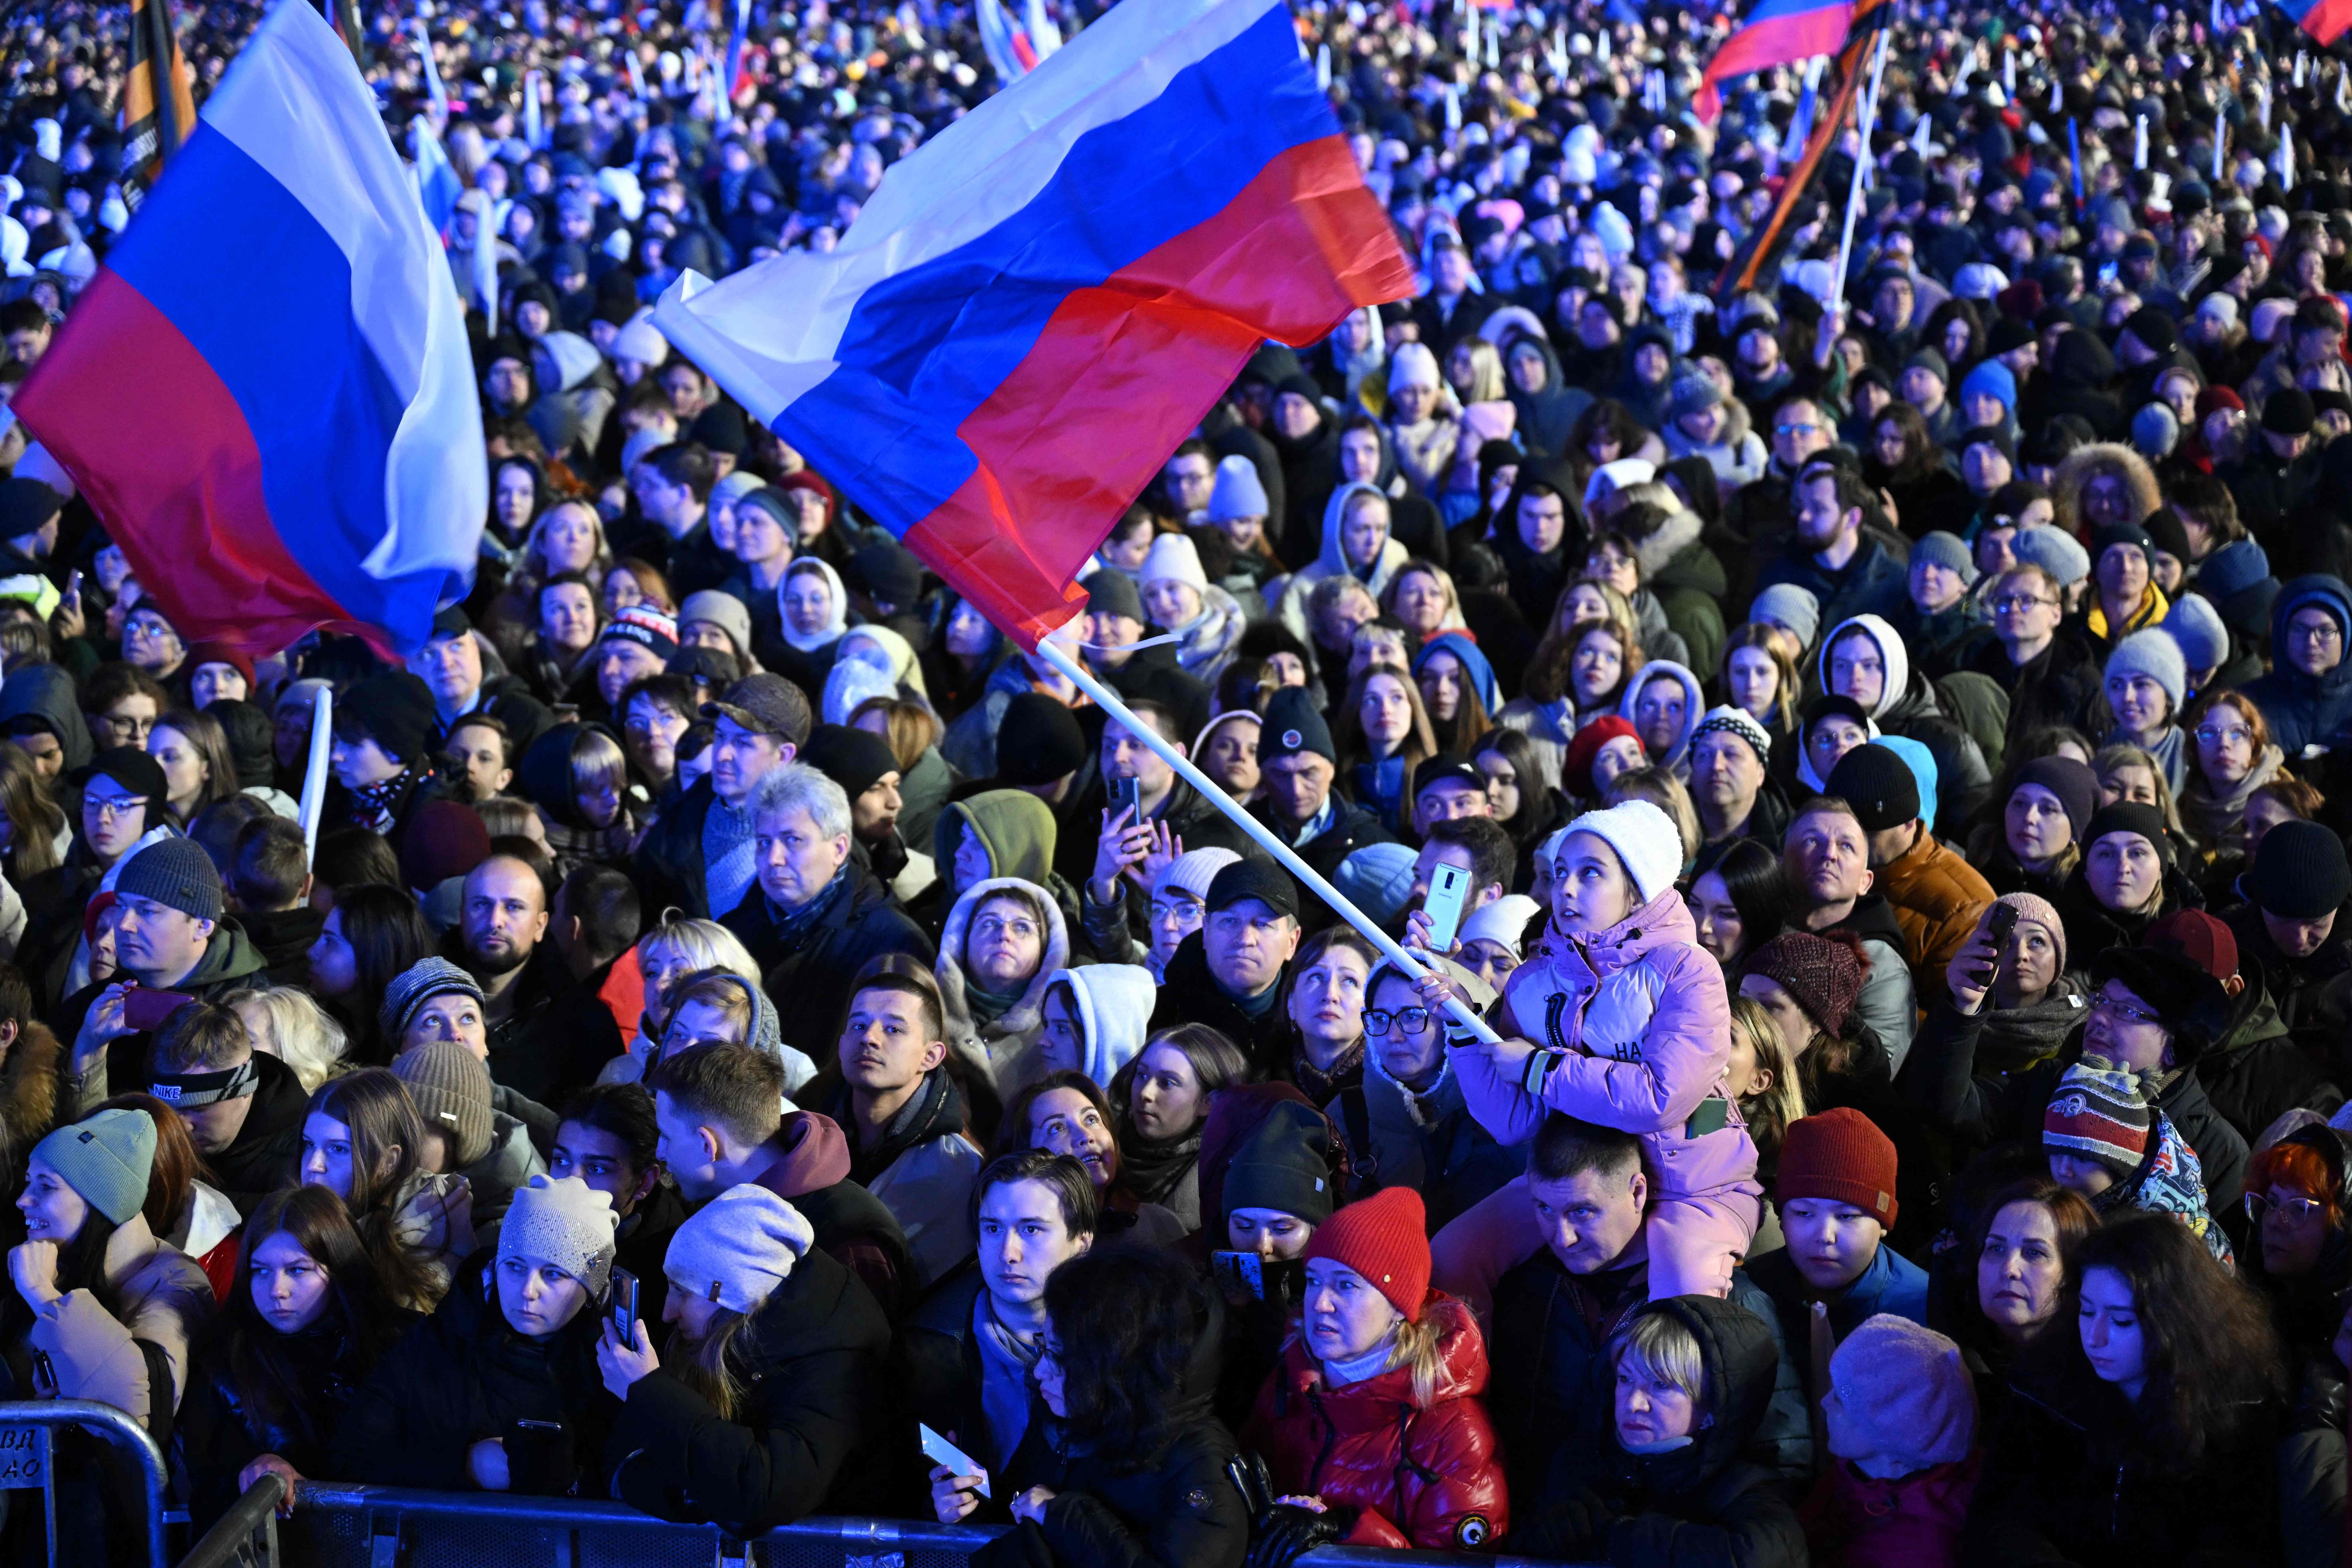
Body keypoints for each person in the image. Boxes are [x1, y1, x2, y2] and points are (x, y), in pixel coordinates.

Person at [1444, 799, 1761, 1299]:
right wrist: (1462, 1024)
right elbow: (1511, 1121)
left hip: (1692, 1184)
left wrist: (1542, 1068)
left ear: (1634, 890)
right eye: (1561, 872)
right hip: (1574, 1186)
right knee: (1453, 1258)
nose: (1566, 888)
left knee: (1684, 1299)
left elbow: (1663, 1097)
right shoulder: (1531, 982)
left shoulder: (1688, 969)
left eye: (1591, 873)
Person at [1965, 1213, 2286, 1564]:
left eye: (2121, 1320)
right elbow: (2000, 1517)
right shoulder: (2044, 1389)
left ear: (2175, 1322)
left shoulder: (2236, 1409)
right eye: (2087, 1311)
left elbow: (2236, 1543)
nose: (2095, 1337)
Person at [599, 1181, 894, 1526]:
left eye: (682, 1291)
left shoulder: (838, 1354)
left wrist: (648, 1391)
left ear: (734, 1296)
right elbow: (622, 1459)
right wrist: (700, 1496)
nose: (667, 1312)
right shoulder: (706, 1331)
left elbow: (767, 1492)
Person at [1242, 1187, 1510, 1552]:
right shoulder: (1287, 1383)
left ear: (1400, 1307)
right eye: (1315, 1280)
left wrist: (1343, 1532)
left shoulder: (1455, 1435)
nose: (1320, 1303)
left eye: (1346, 1285)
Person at [329, 1174, 621, 1494]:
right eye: (514, 1266)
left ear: (593, 1288)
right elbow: (349, 1456)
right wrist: (468, 1465)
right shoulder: (435, 1345)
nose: (528, 1290)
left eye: (554, 1273)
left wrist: (576, 1481)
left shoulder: (614, 1371)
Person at [964, 1244, 1247, 1568]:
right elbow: (1023, 1505)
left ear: (1118, 1366)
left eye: (1059, 1355)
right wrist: (970, 1510)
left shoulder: (1200, 1463)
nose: (1041, 1369)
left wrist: (1064, 1515)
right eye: (1043, 1343)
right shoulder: (1068, 1418)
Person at [1508, 1293, 1809, 1565]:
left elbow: (1765, 1556)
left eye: (1661, 1384)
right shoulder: (1583, 1457)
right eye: (1626, 1379)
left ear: (1711, 1407)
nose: (1634, 1403)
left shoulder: (1741, 1486)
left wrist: (1619, 1536)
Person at [179, 1185, 413, 1528]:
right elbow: (205, 1491)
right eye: (261, 1270)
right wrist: (253, 1472)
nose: (277, 1290)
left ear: (337, 1267)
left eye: (298, 1270)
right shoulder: (224, 1357)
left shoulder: (401, 1343)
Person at [646, 1042, 914, 1316]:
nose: (660, 1152)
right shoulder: (709, 1201)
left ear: (707, 1144)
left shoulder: (849, 1238)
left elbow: (861, 1353)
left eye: (667, 1136)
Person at [904, 1152, 1098, 1521]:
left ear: (1082, 1243)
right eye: (993, 1228)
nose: (1008, 1253)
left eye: (1031, 1229)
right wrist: (935, 1509)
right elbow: (890, 1482)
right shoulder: (928, 1349)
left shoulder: (1123, 1349)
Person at [722, 760, 933, 1055]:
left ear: (839, 848)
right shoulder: (735, 931)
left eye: (793, 840)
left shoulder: (894, 946)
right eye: (763, 842)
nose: (774, 858)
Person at [812, 959, 983, 1290]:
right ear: (842, 1043)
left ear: (931, 1056)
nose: (870, 1038)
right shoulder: (809, 1128)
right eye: (859, 1026)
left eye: (894, 1029)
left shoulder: (958, 1170)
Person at [1331, 952, 1516, 1230]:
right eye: (1380, 1018)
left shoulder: (1507, 1116)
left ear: (1455, 1020)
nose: (1394, 1035)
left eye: (1413, 1016)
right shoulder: (1343, 1117)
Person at [1799, 1316, 1982, 1568]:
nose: (1825, 1403)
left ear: (1893, 1429)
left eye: (1841, 1400)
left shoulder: (1915, 1551)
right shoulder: (1852, 1475)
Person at [1824, 742, 1992, 1007]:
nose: (1846, 847)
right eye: (1837, 833)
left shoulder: (1965, 906)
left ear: (1909, 821)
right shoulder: (1815, 863)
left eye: (1868, 833)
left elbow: (1950, 1018)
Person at [1150, 859, 1306, 1071]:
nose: (1245, 939)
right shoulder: (1156, 1015)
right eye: (1230, 921)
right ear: (1206, 931)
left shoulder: (1313, 1023)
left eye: (1263, 924)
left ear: (1292, 942)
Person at [1106, 1025, 1250, 1232]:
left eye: (1167, 1083)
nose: (1146, 1093)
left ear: (1208, 1103)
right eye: (1142, 1075)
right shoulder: (1100, 1133)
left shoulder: (1220, 1185)